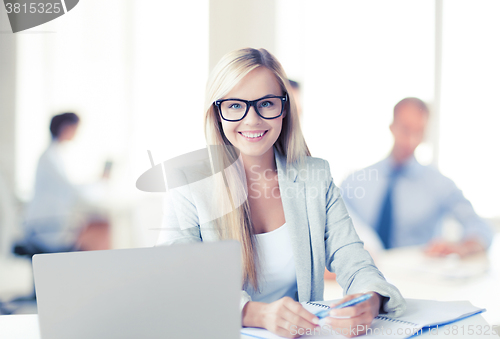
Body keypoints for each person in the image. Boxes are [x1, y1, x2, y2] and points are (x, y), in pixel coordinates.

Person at [156, 48, 405, 338]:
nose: (252, 120)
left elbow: (351, 257)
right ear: (217, 112)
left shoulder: (315, 176)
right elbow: (174, 278)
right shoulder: (188, 183)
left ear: (284, 108)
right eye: (236, 106)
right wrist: (256, 314)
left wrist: (369, 299)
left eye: (266, 103)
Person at [340, 97, 493, 257]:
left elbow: (480, 227)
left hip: (417, 277)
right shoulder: (355, 181)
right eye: (406, 129)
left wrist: (464, 247)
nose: (411, 140)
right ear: (392, 127)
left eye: (419, 132)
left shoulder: (439, 184)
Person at [16, 113, 109, 257]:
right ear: (65, 128)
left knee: (96, 228)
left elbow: (69, 189)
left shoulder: (54, 156)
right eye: (75, 128)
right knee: (100, 230)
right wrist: (98, 182)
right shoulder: (49, 158)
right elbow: (72, 190)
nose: (76, 133)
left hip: (52, 225)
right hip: (46, 228)